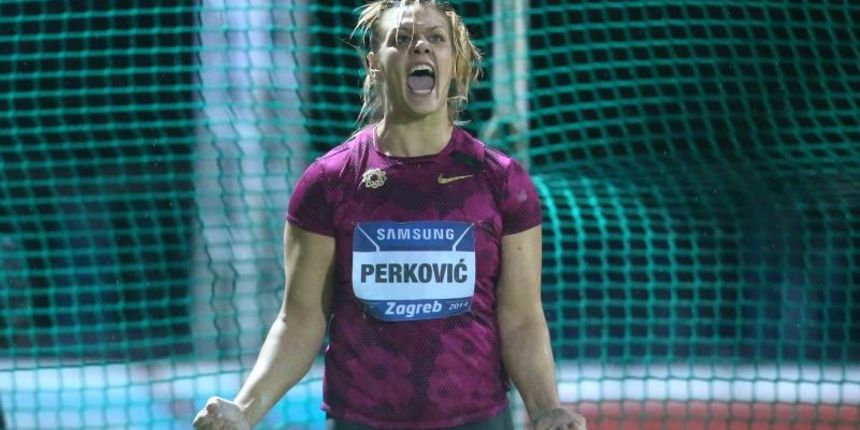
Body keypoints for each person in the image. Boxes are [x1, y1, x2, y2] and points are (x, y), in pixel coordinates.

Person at [193, 1, 587, 429]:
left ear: (455, 62)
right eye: (401, 39)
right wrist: (245, 409)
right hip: (361, 420)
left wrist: (547, 408)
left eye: (436, 38)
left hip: (477, 420)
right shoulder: (329, 182)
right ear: (374, 64)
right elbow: (299, 320)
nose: (420, 46)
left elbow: (522, 319)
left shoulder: (502, 181)